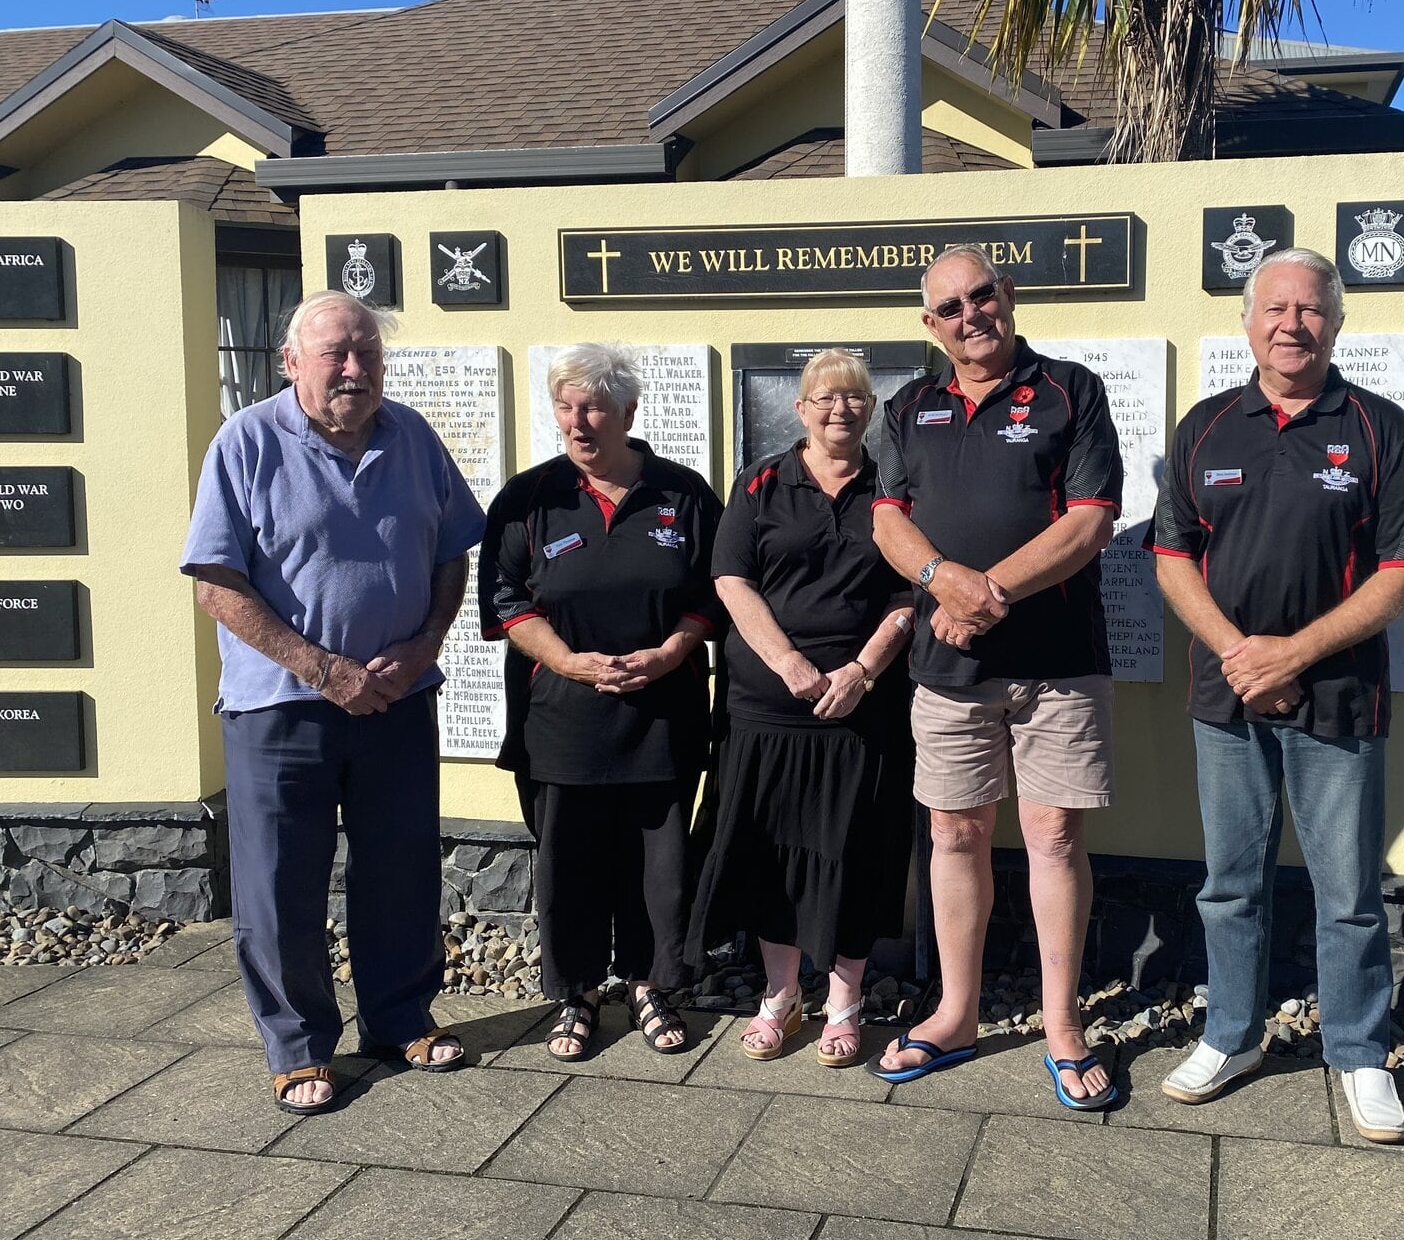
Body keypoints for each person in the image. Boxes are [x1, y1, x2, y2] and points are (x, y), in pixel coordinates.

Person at [1149, 247, 1404, 1142]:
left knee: (1349, 891)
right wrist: (1244, 655)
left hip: (1339, 704)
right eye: (1275, 308)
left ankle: (1359, 1052)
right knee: (1230, 885)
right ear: (1247, 322)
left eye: (1312, 310)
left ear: (1336, 324)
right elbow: (1171, 559)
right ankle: (1232, 1035)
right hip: (1225, 698)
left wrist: (1296, 655)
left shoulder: (1378, 427)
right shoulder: (1206, 426)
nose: (1292, 324)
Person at [182, 291, 485, 1115]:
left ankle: (397, 1019)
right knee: (281, 886)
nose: (355, 370)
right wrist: (323, 669)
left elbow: (454, 548)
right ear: (291, 363)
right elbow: (216, 584)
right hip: (281, 709)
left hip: (396, 700)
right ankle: (297, 1046)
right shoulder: (244, 442)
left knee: (400, 870)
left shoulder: (412, 437)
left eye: (367, 355)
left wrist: (424, 645)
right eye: (335, 355)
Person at [868, 245, 1124, 1110]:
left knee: (1053, 838)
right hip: (946, 669)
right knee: (955, 836)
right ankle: (957, 1012)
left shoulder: (1070, 391)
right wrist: (944, 582)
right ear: (930, 325)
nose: (971, 314)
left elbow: (1091, 521)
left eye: (983, 296)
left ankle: (1061, 1023)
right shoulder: (909, 405)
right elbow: (887, 520)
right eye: (950, 306)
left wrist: (992, 592)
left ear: (1008, 297)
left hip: (1059, 665)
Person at [480, 343, 721, 1060]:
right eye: (565, 406)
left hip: (662, 712)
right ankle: (577, 992)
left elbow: (715, 594)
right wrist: (571, 663)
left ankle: (651, 985)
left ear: (628, 412)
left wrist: (671, 652)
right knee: (571, 861)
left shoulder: (681, 493)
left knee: (659, 861)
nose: (578, 422)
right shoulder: (529, 499)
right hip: (563, 715)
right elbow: (505, 601)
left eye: (593, 407)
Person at [685, 349, 916, 1066]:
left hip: (860, 707)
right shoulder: (758, 484)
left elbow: (910, 592)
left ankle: (844, 999)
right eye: (824, 398)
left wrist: (863, 670)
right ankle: (780, 997)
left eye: (853, 399)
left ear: (871, 411)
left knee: (857, 850)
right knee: (769, 854)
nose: (838, 410)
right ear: (801, 408)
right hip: (769, 706)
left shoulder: (894, 488)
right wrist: (787, 662)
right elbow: (731, 579)